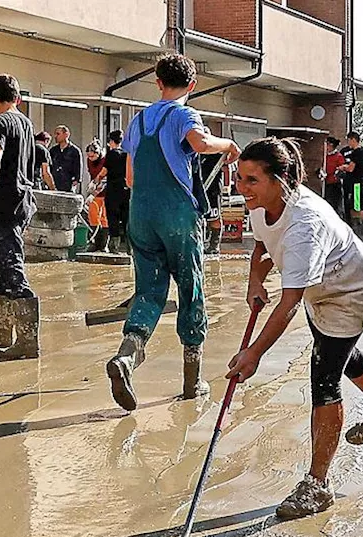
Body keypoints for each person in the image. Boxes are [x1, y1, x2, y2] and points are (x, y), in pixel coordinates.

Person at [230, 137, 363, 520]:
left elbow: (289, 303)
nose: (240, 188)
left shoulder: (304, 226)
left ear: (282, 180)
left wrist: (253, 354)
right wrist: (253, 281)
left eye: (250, 180)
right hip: (319, 286)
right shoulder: (261, 206)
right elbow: (263, 247)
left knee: (324, 374)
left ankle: (317, 484)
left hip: (349, 289)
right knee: (341, 356)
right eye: (239, 178)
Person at [105, 53, 241, 411]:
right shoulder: (184, 114)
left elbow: (131, 177)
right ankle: (192, 382)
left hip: (141, 214)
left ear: (158, 82)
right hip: (176, 215)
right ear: (192, 86)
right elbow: (199, 144)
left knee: (148, 292)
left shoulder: (138, 121)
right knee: (190, 287)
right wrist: (227, 145)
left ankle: (127, 357)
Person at [0, 73, 41, 361]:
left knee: (11, 268)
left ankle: (27, 340)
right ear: (18, 98)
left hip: (5, 202)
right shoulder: (25, 124)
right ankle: (1, 333)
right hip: (23, 200)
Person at [98, 130, 131, 254]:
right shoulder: (127, 154)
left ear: (111, 141)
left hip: (113, 191)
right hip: (126, 190)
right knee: (126, 218)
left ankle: (114, 247)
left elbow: (104, 171)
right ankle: (130, 248)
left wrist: (96, 181)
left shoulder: (112, 154)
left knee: (113, 218)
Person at [339, 131, 363, 243]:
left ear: (353, 139)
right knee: (354, 207)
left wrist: (343, 167)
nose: (348, 143)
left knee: (358, 207)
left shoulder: (357, 152)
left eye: (349, 140)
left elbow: (351, 168)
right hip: (359, 182)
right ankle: (358, 232)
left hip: (356, 184)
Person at [85, 141, 111, 253]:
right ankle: (94, 242)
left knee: (104, 218)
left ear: (98, 153)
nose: (90, 158)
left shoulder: (105, 161)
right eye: (89, 156)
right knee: (92, 216)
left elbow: (105, 180)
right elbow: (92, 174)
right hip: (95, 190)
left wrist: (94, 193)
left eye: (92, 156)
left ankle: (104, 244)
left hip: (106, 192)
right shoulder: (89, 161)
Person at [49, 125, 83, 193]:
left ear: (66, 134)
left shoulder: (74, 151)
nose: (55, 136)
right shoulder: (53, 150)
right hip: (55, 184)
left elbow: (78, 168)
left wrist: (75, 182)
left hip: (68, 184)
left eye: (58, 134)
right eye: (55, 134)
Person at [322, 137, 345, 216]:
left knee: (335, 206)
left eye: (327, 145)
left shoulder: (338, 156)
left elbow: (341, 169)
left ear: (331, 145)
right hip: (325, 184)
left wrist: (334, 173)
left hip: (335, 184)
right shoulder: (324, 156)